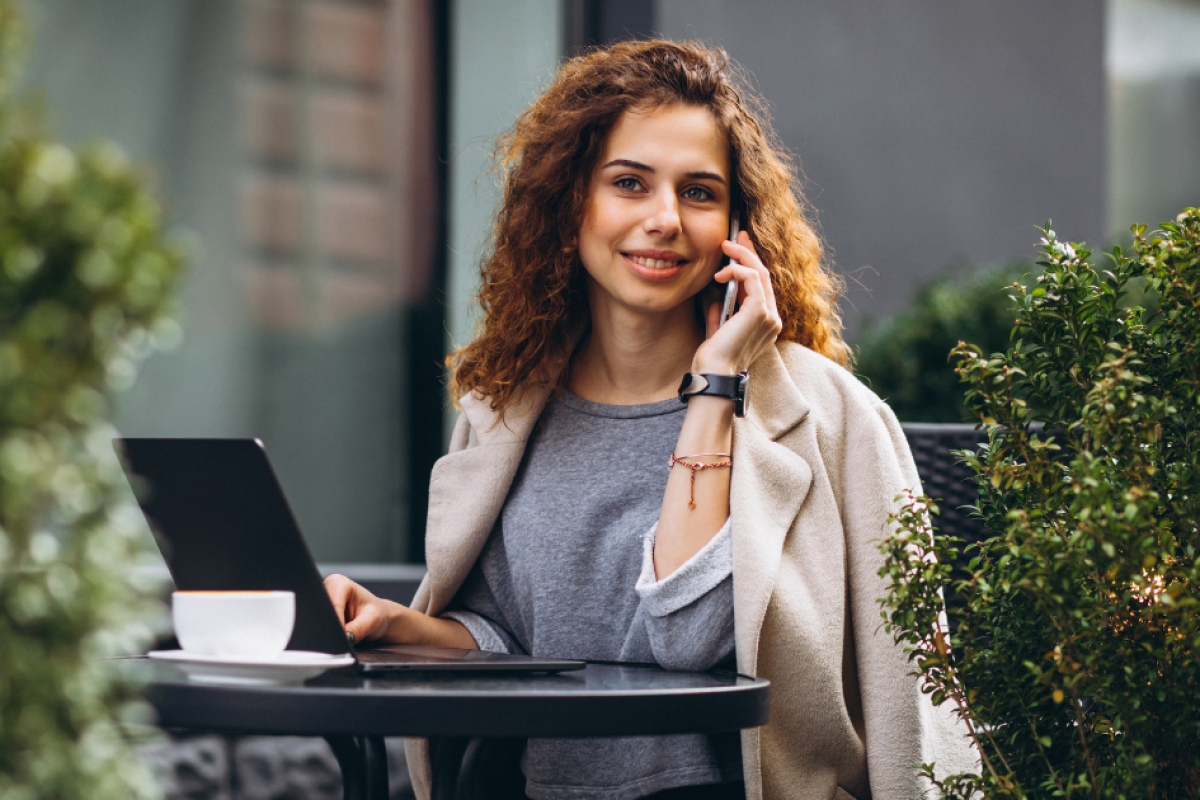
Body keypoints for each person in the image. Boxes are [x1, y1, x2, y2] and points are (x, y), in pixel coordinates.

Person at [324, 39, 976, 800]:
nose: (665, 219)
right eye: (630, 183)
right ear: (572, 205)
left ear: (739, 226)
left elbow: (690, 639)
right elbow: (514, 641)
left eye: (699, 192)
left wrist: (716, 385)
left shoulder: (830, 418)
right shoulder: (508, 410)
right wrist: (394, 626)